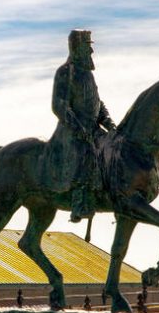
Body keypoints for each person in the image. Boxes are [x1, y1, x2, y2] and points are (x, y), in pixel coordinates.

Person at [46, 29, 116, 222]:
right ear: (76, 48)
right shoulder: (65, 72)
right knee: (86, 154)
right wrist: (78, 128)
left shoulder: (88, 75)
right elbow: (59, 104)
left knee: (114, 151)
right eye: (87, 47)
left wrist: (110, 125)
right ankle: (79, 204)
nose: (91, 52)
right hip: (71, 132)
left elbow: (97, 104)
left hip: (92, 130)